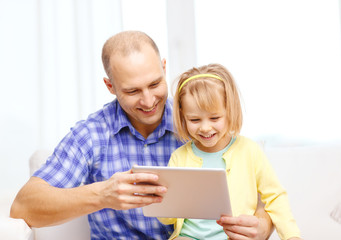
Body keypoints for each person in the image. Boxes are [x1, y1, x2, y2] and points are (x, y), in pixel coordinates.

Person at [11, 31, 273, 239]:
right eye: (133, 91)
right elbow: (23, 207)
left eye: (155, 84)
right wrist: (102, 195)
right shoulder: (91, 134)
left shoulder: (197, 123)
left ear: (164, 67)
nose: (149, 101)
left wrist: (262, 226)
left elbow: (259, 193)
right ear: (110, 86)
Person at [158, 63, 302, 240]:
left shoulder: (249, 150)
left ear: (230, 110)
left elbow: (275, 196)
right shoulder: (179, 157)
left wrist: (291, 236)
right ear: (182, 115)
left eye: (214, 118)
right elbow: (168, 218)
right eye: (194, 119)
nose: (205, 128)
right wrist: (162, 202)